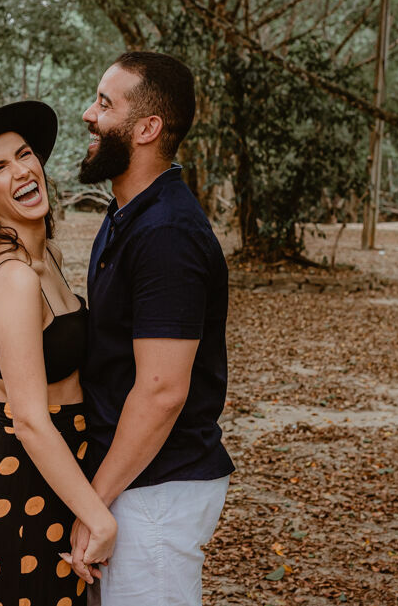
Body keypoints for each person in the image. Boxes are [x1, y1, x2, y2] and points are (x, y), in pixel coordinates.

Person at [0, 101, 117, 606]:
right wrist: (97, 515)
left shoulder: (42, 259)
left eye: (24, 154)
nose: (21, 171)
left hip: (62, 479)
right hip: (23, 492)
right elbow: (30, 419)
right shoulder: (11, 276)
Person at [70, 52, 235, 605]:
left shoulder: (167, 233)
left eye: (104, 103)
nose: (88, 114)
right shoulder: (129, 214)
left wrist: (95, 501)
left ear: (147, 128)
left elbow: (163, 392)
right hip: (132, 480)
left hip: (155, 491)